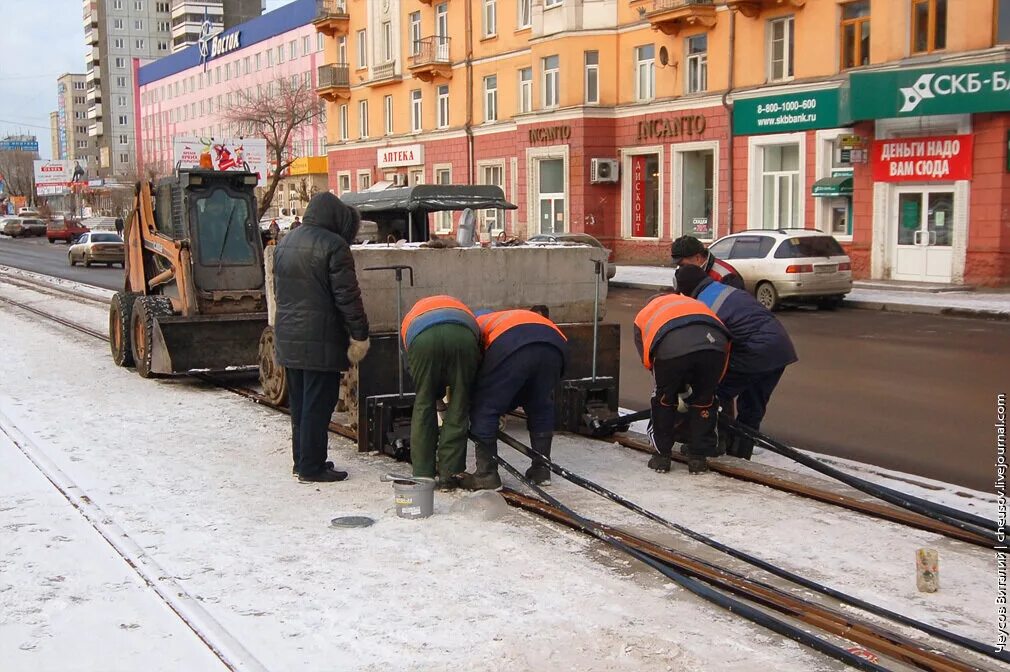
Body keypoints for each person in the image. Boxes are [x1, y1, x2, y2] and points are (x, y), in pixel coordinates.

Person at [273, 192, 370, 483]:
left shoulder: (285, 242)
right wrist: (359, 334)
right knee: (318, 404)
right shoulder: (334, 246)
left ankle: (302, 460)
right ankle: (311, 467)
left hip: (288, 337)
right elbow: (347, 298)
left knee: (301, 405)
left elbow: (281, 293)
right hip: (320, 339)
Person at [674, 264, 797, 459]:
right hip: (781, 349)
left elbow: (708, 349)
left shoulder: (703, 305)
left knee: (713, 393)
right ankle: (741, 454)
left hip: (754, 351)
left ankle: (713, 444)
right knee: (753, 406)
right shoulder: (725, 289)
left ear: (685, 289)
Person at [458, 308, 569, 490]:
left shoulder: (476, 326)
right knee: (539, 404)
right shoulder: (504, 317)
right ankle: (542, 470)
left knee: (486, 408)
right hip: (555, 344)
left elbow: (477, 366)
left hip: (514, 344)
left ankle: (486, 475)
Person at [634, 293, 730, 474]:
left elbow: (648, 360)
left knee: (663, 400)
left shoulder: (644, 314)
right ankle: (698, 458)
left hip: (671, 350)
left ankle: (662, 457)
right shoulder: (693, 302)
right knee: (705, 401)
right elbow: (725, 344)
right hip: (715, 346)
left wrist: (670, 385)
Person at [400, 295, 481, 489]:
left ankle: (422, 473)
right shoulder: (462, 309)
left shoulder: (411, 317)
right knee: (459, 405)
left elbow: (411, 369)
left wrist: (433, 394)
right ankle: (449, 474)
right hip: (464, 335)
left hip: (422, 337)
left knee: (423, 404)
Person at [670, 235, 745, 290]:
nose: (681, 269)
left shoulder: (726, 276)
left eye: (682, 265)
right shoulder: (684, 274)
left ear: (697, 258)